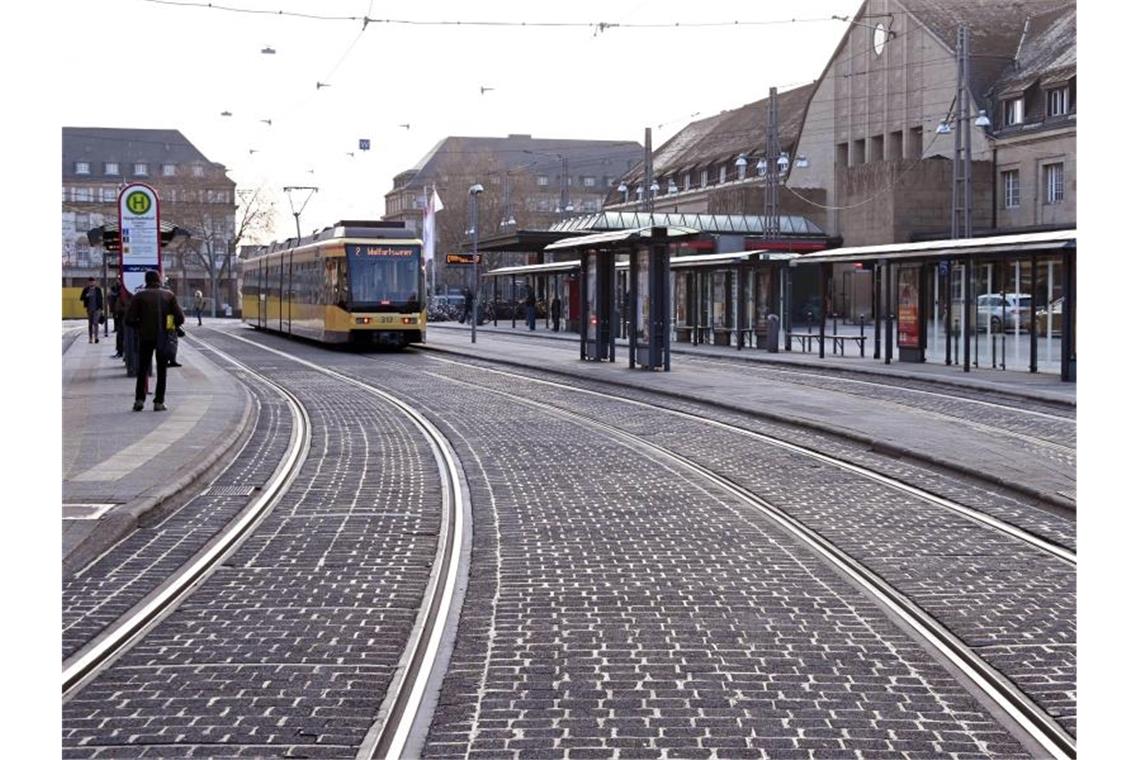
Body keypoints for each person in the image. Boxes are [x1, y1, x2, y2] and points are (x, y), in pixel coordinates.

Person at [125, 270, 185, 412]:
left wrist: (140, 326)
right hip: (163, 337)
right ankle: (159, 402)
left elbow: (129, 320)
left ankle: (139, 400)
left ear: (146, 280)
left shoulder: (139, 296)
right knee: (162, 370)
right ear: (159, 279)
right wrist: (170, 326)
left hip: (145, 337)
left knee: (142, 369)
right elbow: (180, 318)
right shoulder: (169, 295)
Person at [79, 277, 104, 344]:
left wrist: (101, 309)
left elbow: (101, 299)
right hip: (89, 309)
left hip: (97, 309)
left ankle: (96, 337)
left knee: (95, 323)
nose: (92, 283)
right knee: (90, 324)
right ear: (88, 282)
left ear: (95, 282)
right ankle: (90, 338)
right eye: (90, 282)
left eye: (93, 281)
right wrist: (86, 295)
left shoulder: (98, 289)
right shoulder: (86, 289)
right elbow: (81, 298)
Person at [108, 281, 124, 358]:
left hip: (121, 313)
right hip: (122, 314)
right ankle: (121, 352)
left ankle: (120, 352)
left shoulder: (117, 291)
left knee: (121, 333)